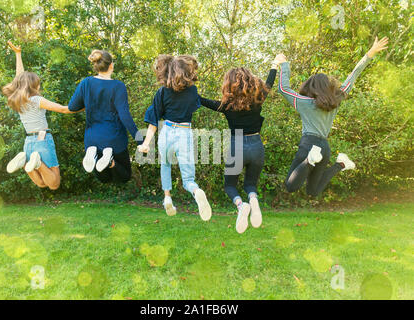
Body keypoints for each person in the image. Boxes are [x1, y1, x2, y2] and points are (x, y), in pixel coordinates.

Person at [277, 37, 389, 196]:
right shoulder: (335, 101)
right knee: (312, 192)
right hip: (324, 147)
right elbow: (352, 78)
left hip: (309, 144)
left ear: (310, 86)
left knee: (290, 186)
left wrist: (284, 64)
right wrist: (369, 54)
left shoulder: (304, 102)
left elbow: (283, 88)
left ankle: (309, 160)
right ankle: (341, 163)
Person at [198, 57, 279, 233]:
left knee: (230, 186)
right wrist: (274, 65)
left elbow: (201, 101)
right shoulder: (259, 98)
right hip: (257, 145)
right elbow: (269, 83)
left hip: (237, 146)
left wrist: (184, 88)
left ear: (229, 85)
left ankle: (241, 205)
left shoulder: (225, 105)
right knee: (250, 184)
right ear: (249, 81)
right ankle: (254, 200)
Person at [137, 55, 212, 221]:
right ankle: (195, 190)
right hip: (184, 133)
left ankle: (167, 198)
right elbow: (194, 106)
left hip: (168, 131)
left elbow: (153, 120)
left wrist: (146, 143)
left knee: (165, 164)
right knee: (188, 178)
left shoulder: (163, 91)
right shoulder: (192, 91)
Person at [3, 41, 75, 190]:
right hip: (43, 140)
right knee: (54, 184)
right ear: (33, 86)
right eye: (38, 84)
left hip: (29, 142)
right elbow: (63, 109)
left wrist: (18, 54)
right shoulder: (37, 100)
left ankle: (25, 162)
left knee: (42, 183)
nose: (39, 86)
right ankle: (36, 162)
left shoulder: (19, 100)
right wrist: (86, 105)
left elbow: (20, 78)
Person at [68, 50, 143, 184]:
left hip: (92, 140)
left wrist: (89, 101)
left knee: (103, 179)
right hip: (114, 140)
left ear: (96, 65)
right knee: (125, 176)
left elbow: (72, 107)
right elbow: (125, 115)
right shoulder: (118, 86)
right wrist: (140, 141)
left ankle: (96, 156)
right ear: (111, 66)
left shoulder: (86, 83)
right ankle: (110, 161)